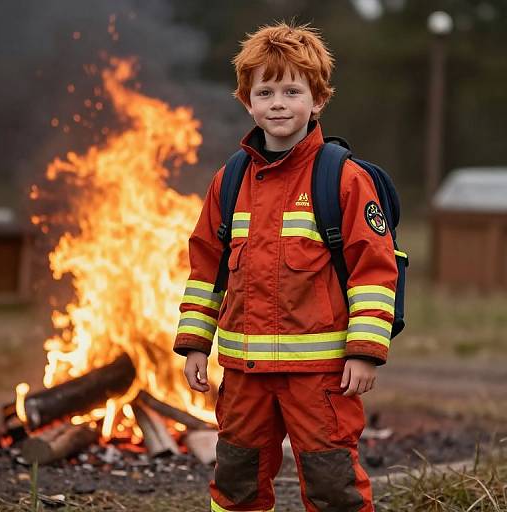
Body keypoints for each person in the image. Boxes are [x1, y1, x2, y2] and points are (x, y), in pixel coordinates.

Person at [174, 21, 398, 512]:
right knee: (235, 483)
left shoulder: (341, 178)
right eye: (266, 91)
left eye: (292, 90)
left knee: (332, 485)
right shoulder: (230, 181)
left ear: (317, 100)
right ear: (247, 102)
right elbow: (207, 270)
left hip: (321, 378)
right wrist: (195, 344)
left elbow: (374, 272)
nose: (278, 102)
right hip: (244, 377)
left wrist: (364, 352)